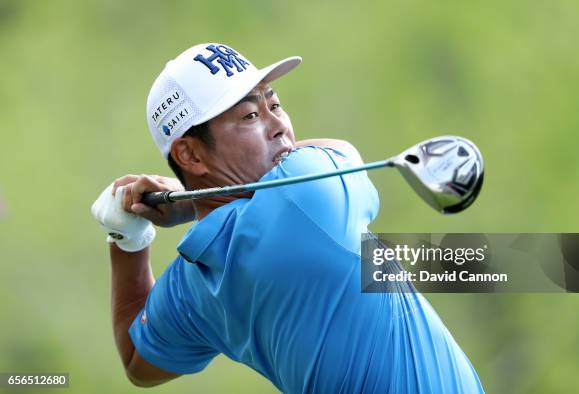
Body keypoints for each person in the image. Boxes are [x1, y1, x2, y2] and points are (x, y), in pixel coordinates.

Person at [91, 43, 484, 393]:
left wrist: (127, 238)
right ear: (191, 156)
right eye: (249, 116)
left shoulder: (193, 286)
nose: (279, 126)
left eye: (274, 105)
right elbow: (339, 149)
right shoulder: (305, 196)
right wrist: (191, 203)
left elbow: (136, 362)